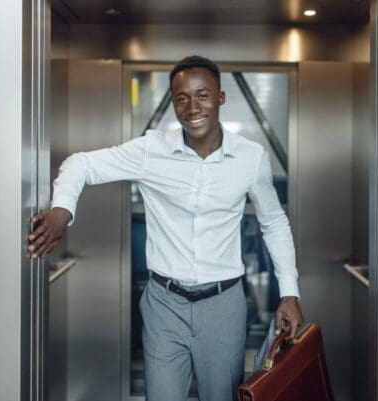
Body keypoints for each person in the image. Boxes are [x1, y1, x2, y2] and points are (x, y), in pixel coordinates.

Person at [26, 55, 303, 401]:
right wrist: (61, 212)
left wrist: (289, 292)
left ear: (220, 97)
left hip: (224, 305)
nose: (192, 107)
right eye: (181, 97)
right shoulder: (151, 151)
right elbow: (80, 163)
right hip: (163, 305)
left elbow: (274, 223)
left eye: (202, 95)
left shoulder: (252, 158)